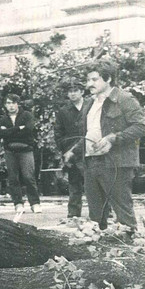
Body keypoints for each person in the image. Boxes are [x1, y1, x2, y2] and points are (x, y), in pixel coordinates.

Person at [65, 60, 145, 233]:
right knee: (96, 215)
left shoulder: (124, 99)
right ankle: (101, 252)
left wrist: (113, 139)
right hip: (90, 163)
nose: (89, 84)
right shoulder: (89, 103)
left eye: (94, 80)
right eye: (88, 80)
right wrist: (74, 151)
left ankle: (132, 249)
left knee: (123, 212)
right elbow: (90, 132)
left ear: (108, 78)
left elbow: (141, 127)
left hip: (115, 163)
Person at [0, 90, 41, 214]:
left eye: (14, 103)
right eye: (8, 103)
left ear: (18, 104)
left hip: (26, 150)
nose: (11, 106)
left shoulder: (27, 115)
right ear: (5, 105)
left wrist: (9, 131)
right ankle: (18, 203)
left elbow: (29, 130)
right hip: (10, 151)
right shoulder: (3, 119)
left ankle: (35, 203)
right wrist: (18, 128)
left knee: (29, 177)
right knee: (13, 178)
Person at [54, 83, 88, 218]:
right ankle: (73, 214)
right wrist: (64, 149)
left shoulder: (90, 106)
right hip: (71, 152)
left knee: (94, 182)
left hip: (89, 148)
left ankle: (103, 212)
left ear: (82, 92)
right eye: (70, 91)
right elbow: (58, 132)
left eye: (76, 90)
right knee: (74, 183)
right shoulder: (63, 111)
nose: (73, 94)